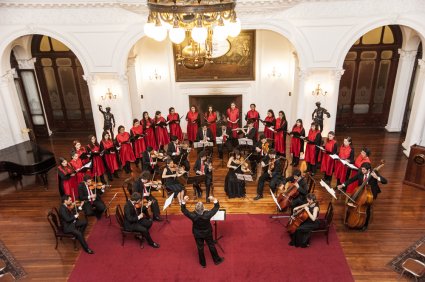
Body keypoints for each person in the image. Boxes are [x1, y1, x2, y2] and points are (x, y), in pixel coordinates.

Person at [336, 162, 387, 230]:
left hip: (370, 193)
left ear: (368, 170)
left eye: (363, 170)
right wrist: (342, 185)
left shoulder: (374, 173)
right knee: (351, 201)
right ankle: (348, 218)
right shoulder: (360, 172)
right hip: (361, 191)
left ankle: (365, 224)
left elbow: (385, 181)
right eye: (362, 169)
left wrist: (377, 177)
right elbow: (352, 179)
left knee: (367, 207)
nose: (362, 171)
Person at [181, 195, 224, 268]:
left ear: (195, 209)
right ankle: (217, 260)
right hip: (207, 233)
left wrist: (184, 201)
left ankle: (203, 263)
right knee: (211, 245)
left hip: (197, 234)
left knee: (200, 247)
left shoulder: (192, 215)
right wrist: (214, 199)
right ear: (203, 208)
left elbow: (184, 210)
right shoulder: (207, 214)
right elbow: (216, 207)